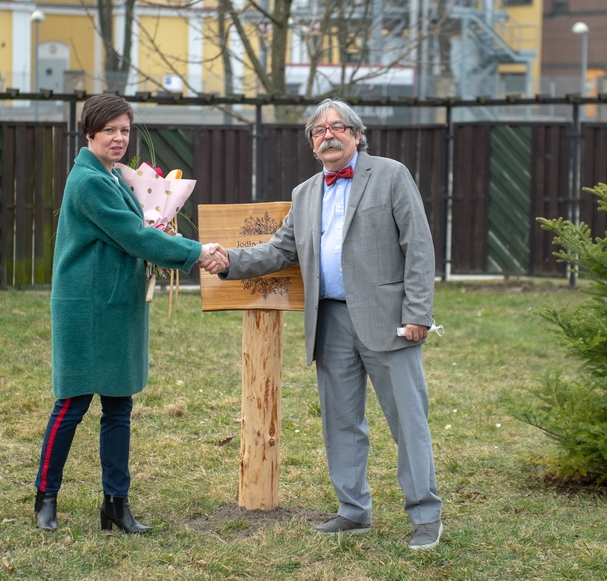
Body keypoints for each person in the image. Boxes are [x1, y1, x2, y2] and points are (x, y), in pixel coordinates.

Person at [201, 98, 442, 550]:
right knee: (341, 421)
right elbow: (278, 251)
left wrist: (417, 313)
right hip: (329, 321)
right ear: (312, 144)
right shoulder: (305, 192)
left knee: (408, 421)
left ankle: (425, 515)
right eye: (318, 131)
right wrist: (227, 260)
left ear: (356, 134)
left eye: (337, 127)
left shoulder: (391, 175)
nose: (327, 135)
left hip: (389, 321)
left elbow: (419, 246)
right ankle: (353, 511)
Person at [34, 93, 226, 533]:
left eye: (124, 130)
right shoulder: (88, 181)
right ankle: (45, 497)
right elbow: (132, 235)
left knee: (118, 408)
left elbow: (142, 227)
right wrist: (197, 251)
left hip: (117, 303)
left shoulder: (114, 176)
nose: (119, 138)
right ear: (89, 134)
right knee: (72, 404)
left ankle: (115, 506)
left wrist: (165, 230)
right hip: (85, 307)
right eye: (109, 130)